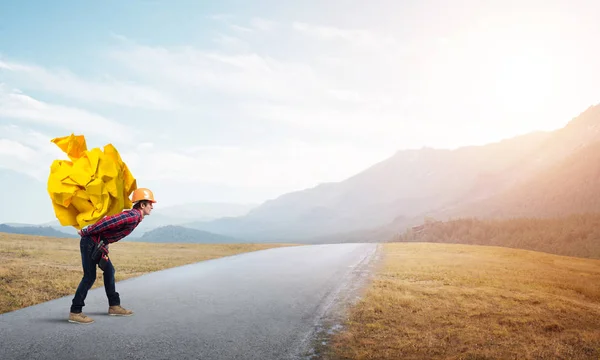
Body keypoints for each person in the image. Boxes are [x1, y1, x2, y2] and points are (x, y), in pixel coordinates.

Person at [68, 187, 156, 324]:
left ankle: (114, 306)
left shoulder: (136, 217)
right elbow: (108, 222)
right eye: (150, 203)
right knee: (89, 276)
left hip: (97, 243)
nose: (152, 206)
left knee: (109, 271)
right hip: (90, 241)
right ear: (142, 205)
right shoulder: (132, 216)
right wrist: (86, 231)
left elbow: (111, 229)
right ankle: (75, 312)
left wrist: (105, 243)